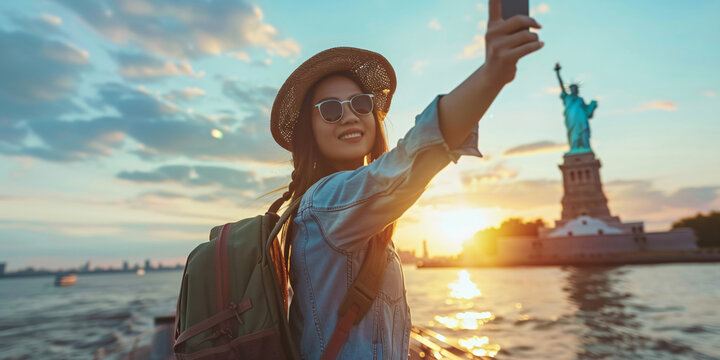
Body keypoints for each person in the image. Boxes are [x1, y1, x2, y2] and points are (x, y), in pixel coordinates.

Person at [267, 1, 543, 358]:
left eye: (360, 104)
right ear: (310, 131)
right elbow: (413, 157)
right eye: (331, 110)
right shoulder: (325, 203)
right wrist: (493, 73)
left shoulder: (357, 211)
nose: (349, 116)